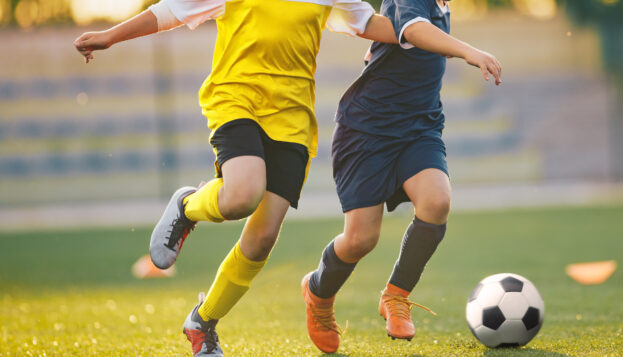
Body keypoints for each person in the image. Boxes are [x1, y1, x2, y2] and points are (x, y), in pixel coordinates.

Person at [73, 1, 397, 355]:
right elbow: (171, 11)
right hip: (237, 98)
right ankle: (187, 204)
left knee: (262, 239)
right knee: (242, 195)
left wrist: (428, 33)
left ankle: (202, 321)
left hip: (292, 119)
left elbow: (369, 24)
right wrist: (110, 36)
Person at [300, 0, 502, 353]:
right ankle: (318, 292)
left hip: (418, 128)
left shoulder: (442, 4)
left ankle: (396, 296)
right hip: (366, 131)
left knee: (437, 201)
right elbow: (412, 29)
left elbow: (410, 39)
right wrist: (469, 51)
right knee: (361, 239)